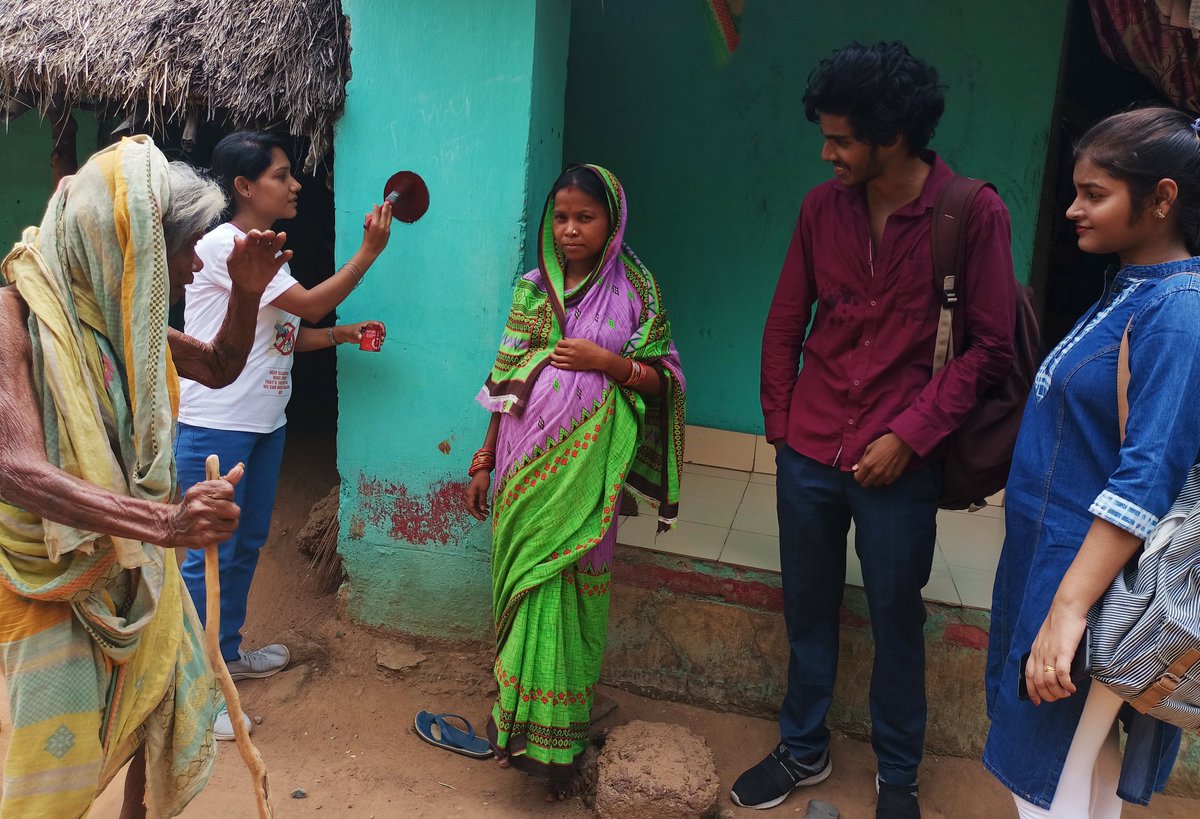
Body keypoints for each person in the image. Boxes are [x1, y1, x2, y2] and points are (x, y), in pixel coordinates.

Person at [740, 42, 1016, 817]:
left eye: (840, 140)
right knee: (807, 600)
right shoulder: (818, 208)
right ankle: (804, 745)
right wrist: (782, 421)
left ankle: (899, 773)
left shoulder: (972, 212)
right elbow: (787, 316)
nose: (826, 153)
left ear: (891, 138)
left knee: (897, 613)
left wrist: (911, 435)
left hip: (902, 460)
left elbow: (990, 347)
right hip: (811, 448)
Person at [0, 135, 289, 818]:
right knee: (53, 763)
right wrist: (164, 521)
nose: (192, 267)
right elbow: (13, 467)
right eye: (181, 248)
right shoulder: (14, 316)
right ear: (128, 243)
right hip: (48, 580)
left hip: (134, 569)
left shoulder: (123, 329)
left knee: (162, 704)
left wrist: (247, 296)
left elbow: (218, 363)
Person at [985, 107, 1200, 817]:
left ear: (1163, 198)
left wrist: (1067, 612)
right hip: (1057, 564)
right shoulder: (1133, 290)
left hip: (1091, 583)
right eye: (1075, 190)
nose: (1073, 208)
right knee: (1083, 773)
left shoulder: (1176, 310)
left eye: (1095, 193)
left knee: (1042, 782)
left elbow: (1148, 475)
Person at [464, 164, 685, 801]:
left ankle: (561, 737)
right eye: (560, 217)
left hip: (589, 480)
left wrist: (607, 362)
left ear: (611, 222)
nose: (569, 230)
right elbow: (503, 385)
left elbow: (664, 378)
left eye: (584, 217)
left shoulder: (637, 289)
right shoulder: (532, 290)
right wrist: (483, 462)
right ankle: (515, 727)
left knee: (576, 591)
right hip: (525, 471)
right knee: (528, 592)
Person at [173, 131, 389, 738]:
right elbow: (314, 305)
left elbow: (287, 334)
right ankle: (194, 692)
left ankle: (229, 654)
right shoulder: (226, 246)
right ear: (244, 187)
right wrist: (368, 253)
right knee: (204, 558)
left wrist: (340, 338)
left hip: (265, 422)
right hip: (216, 424)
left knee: (244, 545)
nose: (296, 185)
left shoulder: (267, 251)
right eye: (281, 175)